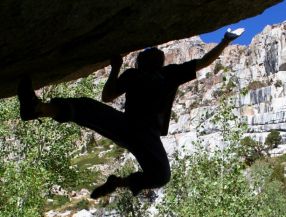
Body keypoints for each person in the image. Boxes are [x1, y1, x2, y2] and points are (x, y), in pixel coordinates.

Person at [17, 28, 244, 199]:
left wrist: (225, 41)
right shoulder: (159, 74)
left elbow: (204, 62)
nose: (152, 50)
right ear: (144, 62)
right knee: (85, 107)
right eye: (149, 51)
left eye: (153, 50)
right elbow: (108, 97)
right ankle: (36, 108)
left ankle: (117, 183)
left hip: (132, 130)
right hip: (137, 131)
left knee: (86, 109)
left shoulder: (157, 74)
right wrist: (115, 68)